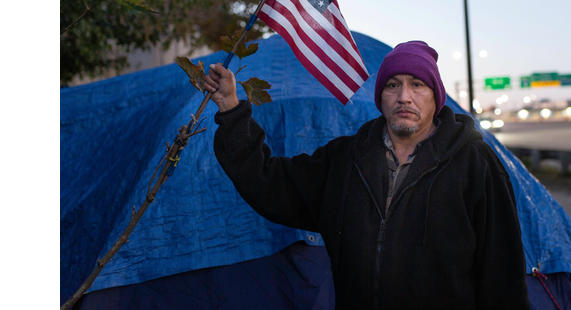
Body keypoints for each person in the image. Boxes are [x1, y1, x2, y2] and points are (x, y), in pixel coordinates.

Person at [204, 41, 530, 310]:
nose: (404, 96)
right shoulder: (346, 159)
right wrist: (232, 110)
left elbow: (503, 274)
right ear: (380, 97)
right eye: (393, 85)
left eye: (417, 84)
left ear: (436, 97)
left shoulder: (475, 162)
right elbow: (270, 183)